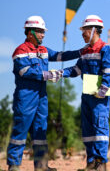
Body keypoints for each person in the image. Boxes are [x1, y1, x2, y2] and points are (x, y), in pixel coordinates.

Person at [7, 15, 82, 171]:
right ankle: (14, 165)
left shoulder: (43, 50)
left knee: (40, 131)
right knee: (20, 130)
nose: (43, 35)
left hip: (41, 97)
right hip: (26, 96)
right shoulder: (21, 50)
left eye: (43, 32)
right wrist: (47, 75)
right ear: (30, 32)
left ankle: (41, 166)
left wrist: (80, 52)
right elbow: (24, 71)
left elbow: (61, 55)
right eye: (40, 31)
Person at [61, 15, 110, 171]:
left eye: (84, 30)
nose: (82, 34)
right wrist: (59, 73)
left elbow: (109, 70)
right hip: (87, 94)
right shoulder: (85, 51)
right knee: (88, 129)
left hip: (100, 96)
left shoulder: (105, 49)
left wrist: (104, 89)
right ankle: (91, 162)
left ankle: (100, 163)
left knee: (100, 127)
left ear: (93, 30)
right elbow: (77, 70)